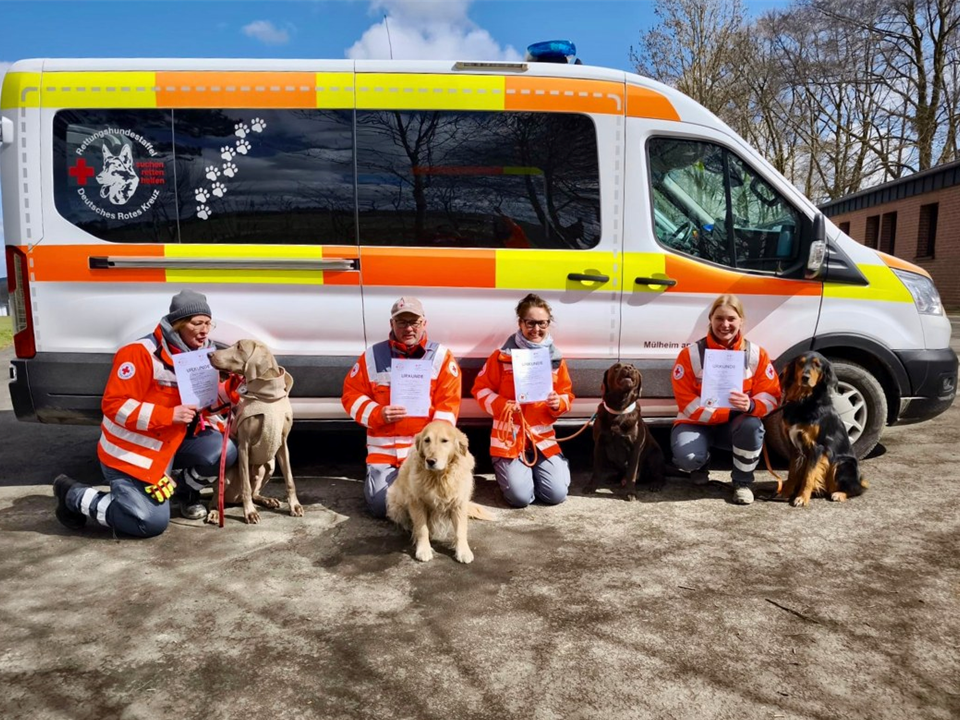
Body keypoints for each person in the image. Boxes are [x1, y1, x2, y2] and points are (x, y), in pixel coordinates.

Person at [52, 290, 239, 536]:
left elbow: (206, 401)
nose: (205, 331)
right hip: (133, 454)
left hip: (171, 443)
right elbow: (114, 405)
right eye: (197, 323)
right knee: (148, 523)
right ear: (178, 324)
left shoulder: (204, 353)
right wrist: (168, 416)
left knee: (225, 452)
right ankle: (73, 495)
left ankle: (183, 491)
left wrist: (235, 388)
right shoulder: (139, 353)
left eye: (208, 323)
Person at [341, 297, 462, 517]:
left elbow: (449, 404)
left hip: (423, 453)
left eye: (414, 322)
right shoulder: (372, 356)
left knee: (435, 504)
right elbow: (350, 396)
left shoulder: (442, 358)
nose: (408, 328)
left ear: (424, 323)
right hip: (385, 454)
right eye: (401, 322)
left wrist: (433, 447)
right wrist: (378, 413)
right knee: (381, 508)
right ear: (392, 324)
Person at [670, 294, 781, 505]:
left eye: (731, 319)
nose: (725, 324)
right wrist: (726, 412)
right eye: (719, 318)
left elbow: (771, 394)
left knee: (752, 427)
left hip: (735, 424)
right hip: (696, 423)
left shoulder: (756, 354)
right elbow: (685, 401)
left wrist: (751, 405)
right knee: (688, 459)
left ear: (741, 321)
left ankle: (742, 483)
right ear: (710, 320)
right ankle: (700, 464)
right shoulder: (690, 354)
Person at [472, 293, 574, 507]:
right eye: (530, 323)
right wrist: (502, 405)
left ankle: (548, 469)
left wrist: (559, 403)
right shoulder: (501, 357)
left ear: (549, 324)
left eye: (542, 323)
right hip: (509, 441)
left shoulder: (555, 359)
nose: (536, 329)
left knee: (556, 496)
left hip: (542, 441)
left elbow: (567, 393)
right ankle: (511, 471)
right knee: (520, 499)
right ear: (520, 323)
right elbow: (480, 390)